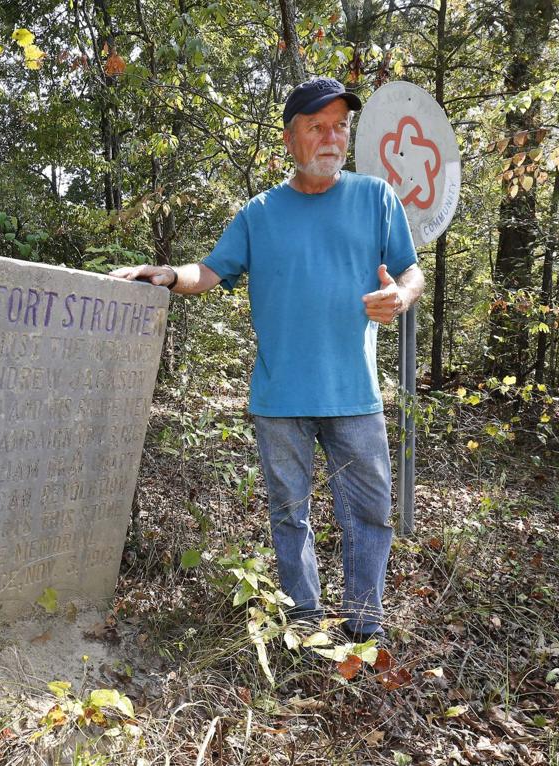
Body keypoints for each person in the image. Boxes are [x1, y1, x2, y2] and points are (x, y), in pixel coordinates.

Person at [110, 78, 425, 642]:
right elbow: (210, 271)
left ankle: (363, 625)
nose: (333, 138)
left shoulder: (376, 198)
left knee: (372, 513)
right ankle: (305, 624)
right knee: (289, 514)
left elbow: (410, 269)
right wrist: (165, 274)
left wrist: (400, 296)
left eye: (340, 126)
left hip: (354, 394)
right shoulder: (260, 213)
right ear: (290, 139)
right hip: (280, 399)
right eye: (317, 127)